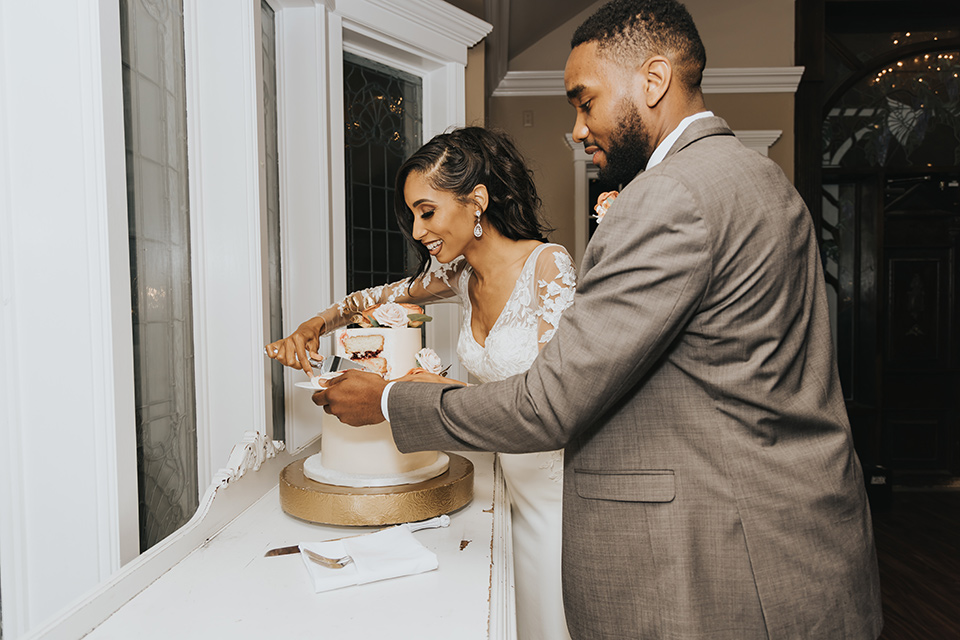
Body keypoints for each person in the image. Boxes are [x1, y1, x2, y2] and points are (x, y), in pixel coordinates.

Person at [312, 0, 885, 638]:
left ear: (653, 79)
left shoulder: (668, 197)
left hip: (728, 557)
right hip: (797, 536)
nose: (579, 128)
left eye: (585, 101)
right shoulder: (763, 178)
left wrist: (390, 400)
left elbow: (548, 405)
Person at [267, 127, 576, 640]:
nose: (416, 230)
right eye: (411, 214)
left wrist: (432, 392)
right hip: (501, 487)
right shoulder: (459, 277)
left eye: (426, 211)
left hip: (556, 494)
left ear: (476, 200)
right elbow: (367, 300)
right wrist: (311, 328)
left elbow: (551, 405)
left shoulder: (549, 266)